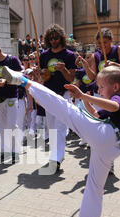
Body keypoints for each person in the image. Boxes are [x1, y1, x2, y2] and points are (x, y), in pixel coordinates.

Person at [1, 65, 120, 217]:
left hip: (108, 136)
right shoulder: (112, 100)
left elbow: (114, 106)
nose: (100, 90)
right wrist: (87, 103)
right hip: (110, 146)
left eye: (102, 87)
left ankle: (24, 81)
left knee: (65, 108)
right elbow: (96, 115)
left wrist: (83, 97)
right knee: (94, 189)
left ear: (116, 87)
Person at [39, 24, 77, 173]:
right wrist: (40, 73)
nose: (54, 40)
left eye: (56, 37)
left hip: (64, 94)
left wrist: (64, 70)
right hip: (49, 94)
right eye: (51, 38)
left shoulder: (69, 55)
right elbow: (42, 78)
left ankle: (56, 158)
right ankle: (56, 154)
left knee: (61, 127)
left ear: (61, 38)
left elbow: (71, 78)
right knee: (52, 128)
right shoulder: (43, 56)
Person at [0, 42, 23, 162]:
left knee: (12, 124)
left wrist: (6, 81)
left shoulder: (12, 60)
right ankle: (4, 149)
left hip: (11, 96)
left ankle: (15, 150)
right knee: (1, 126)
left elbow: (20, 75)